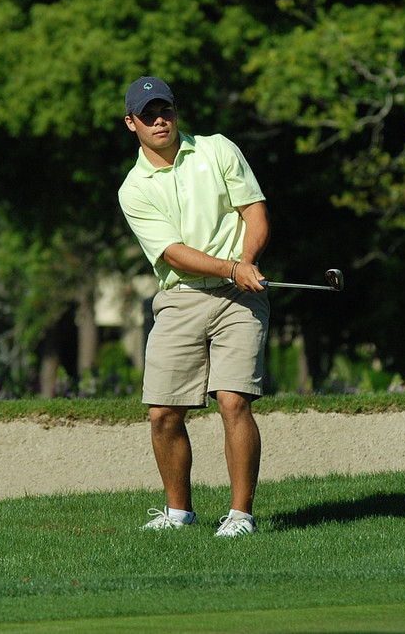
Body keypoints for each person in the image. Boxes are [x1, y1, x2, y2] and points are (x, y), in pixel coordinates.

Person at [118, 76, 271, 537]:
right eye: (147, 115)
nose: (159, 120)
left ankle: (240, 516)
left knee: (233, 400)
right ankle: (179, 513)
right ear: (132, 124)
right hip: (180, 299)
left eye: (165, 110)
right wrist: (231, 266)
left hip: (239, 297)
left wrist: (245, 264)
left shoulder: (217, 149)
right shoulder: (133, 189)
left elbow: (255, 212)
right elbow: (172, 253)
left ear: (175, 112)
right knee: (163, 413)